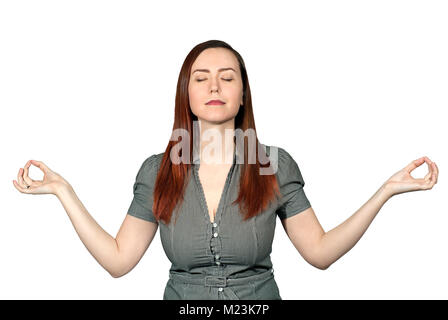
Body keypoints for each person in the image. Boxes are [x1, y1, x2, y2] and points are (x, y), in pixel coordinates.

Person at [13, 40, 439, 300]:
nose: (214, 86)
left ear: (242, 95)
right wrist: (63, 191)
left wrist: (385, 191)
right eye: (201, 78)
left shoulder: (273, 163)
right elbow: (119, 260)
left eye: (227, 77)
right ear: (187, 94)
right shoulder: (158, 171)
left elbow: (320, 253)